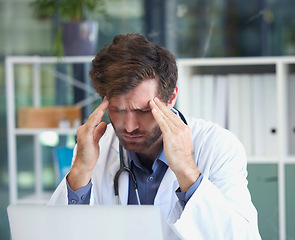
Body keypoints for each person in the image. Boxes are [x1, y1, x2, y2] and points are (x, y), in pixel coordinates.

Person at [48, 33, 261, 239]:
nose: (129, 127)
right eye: (118, 110)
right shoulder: (95, 147)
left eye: (143, 111)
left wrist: (187, 170)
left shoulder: (216, 146)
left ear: (172, 98)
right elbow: (55, 234)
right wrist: (80, 171)